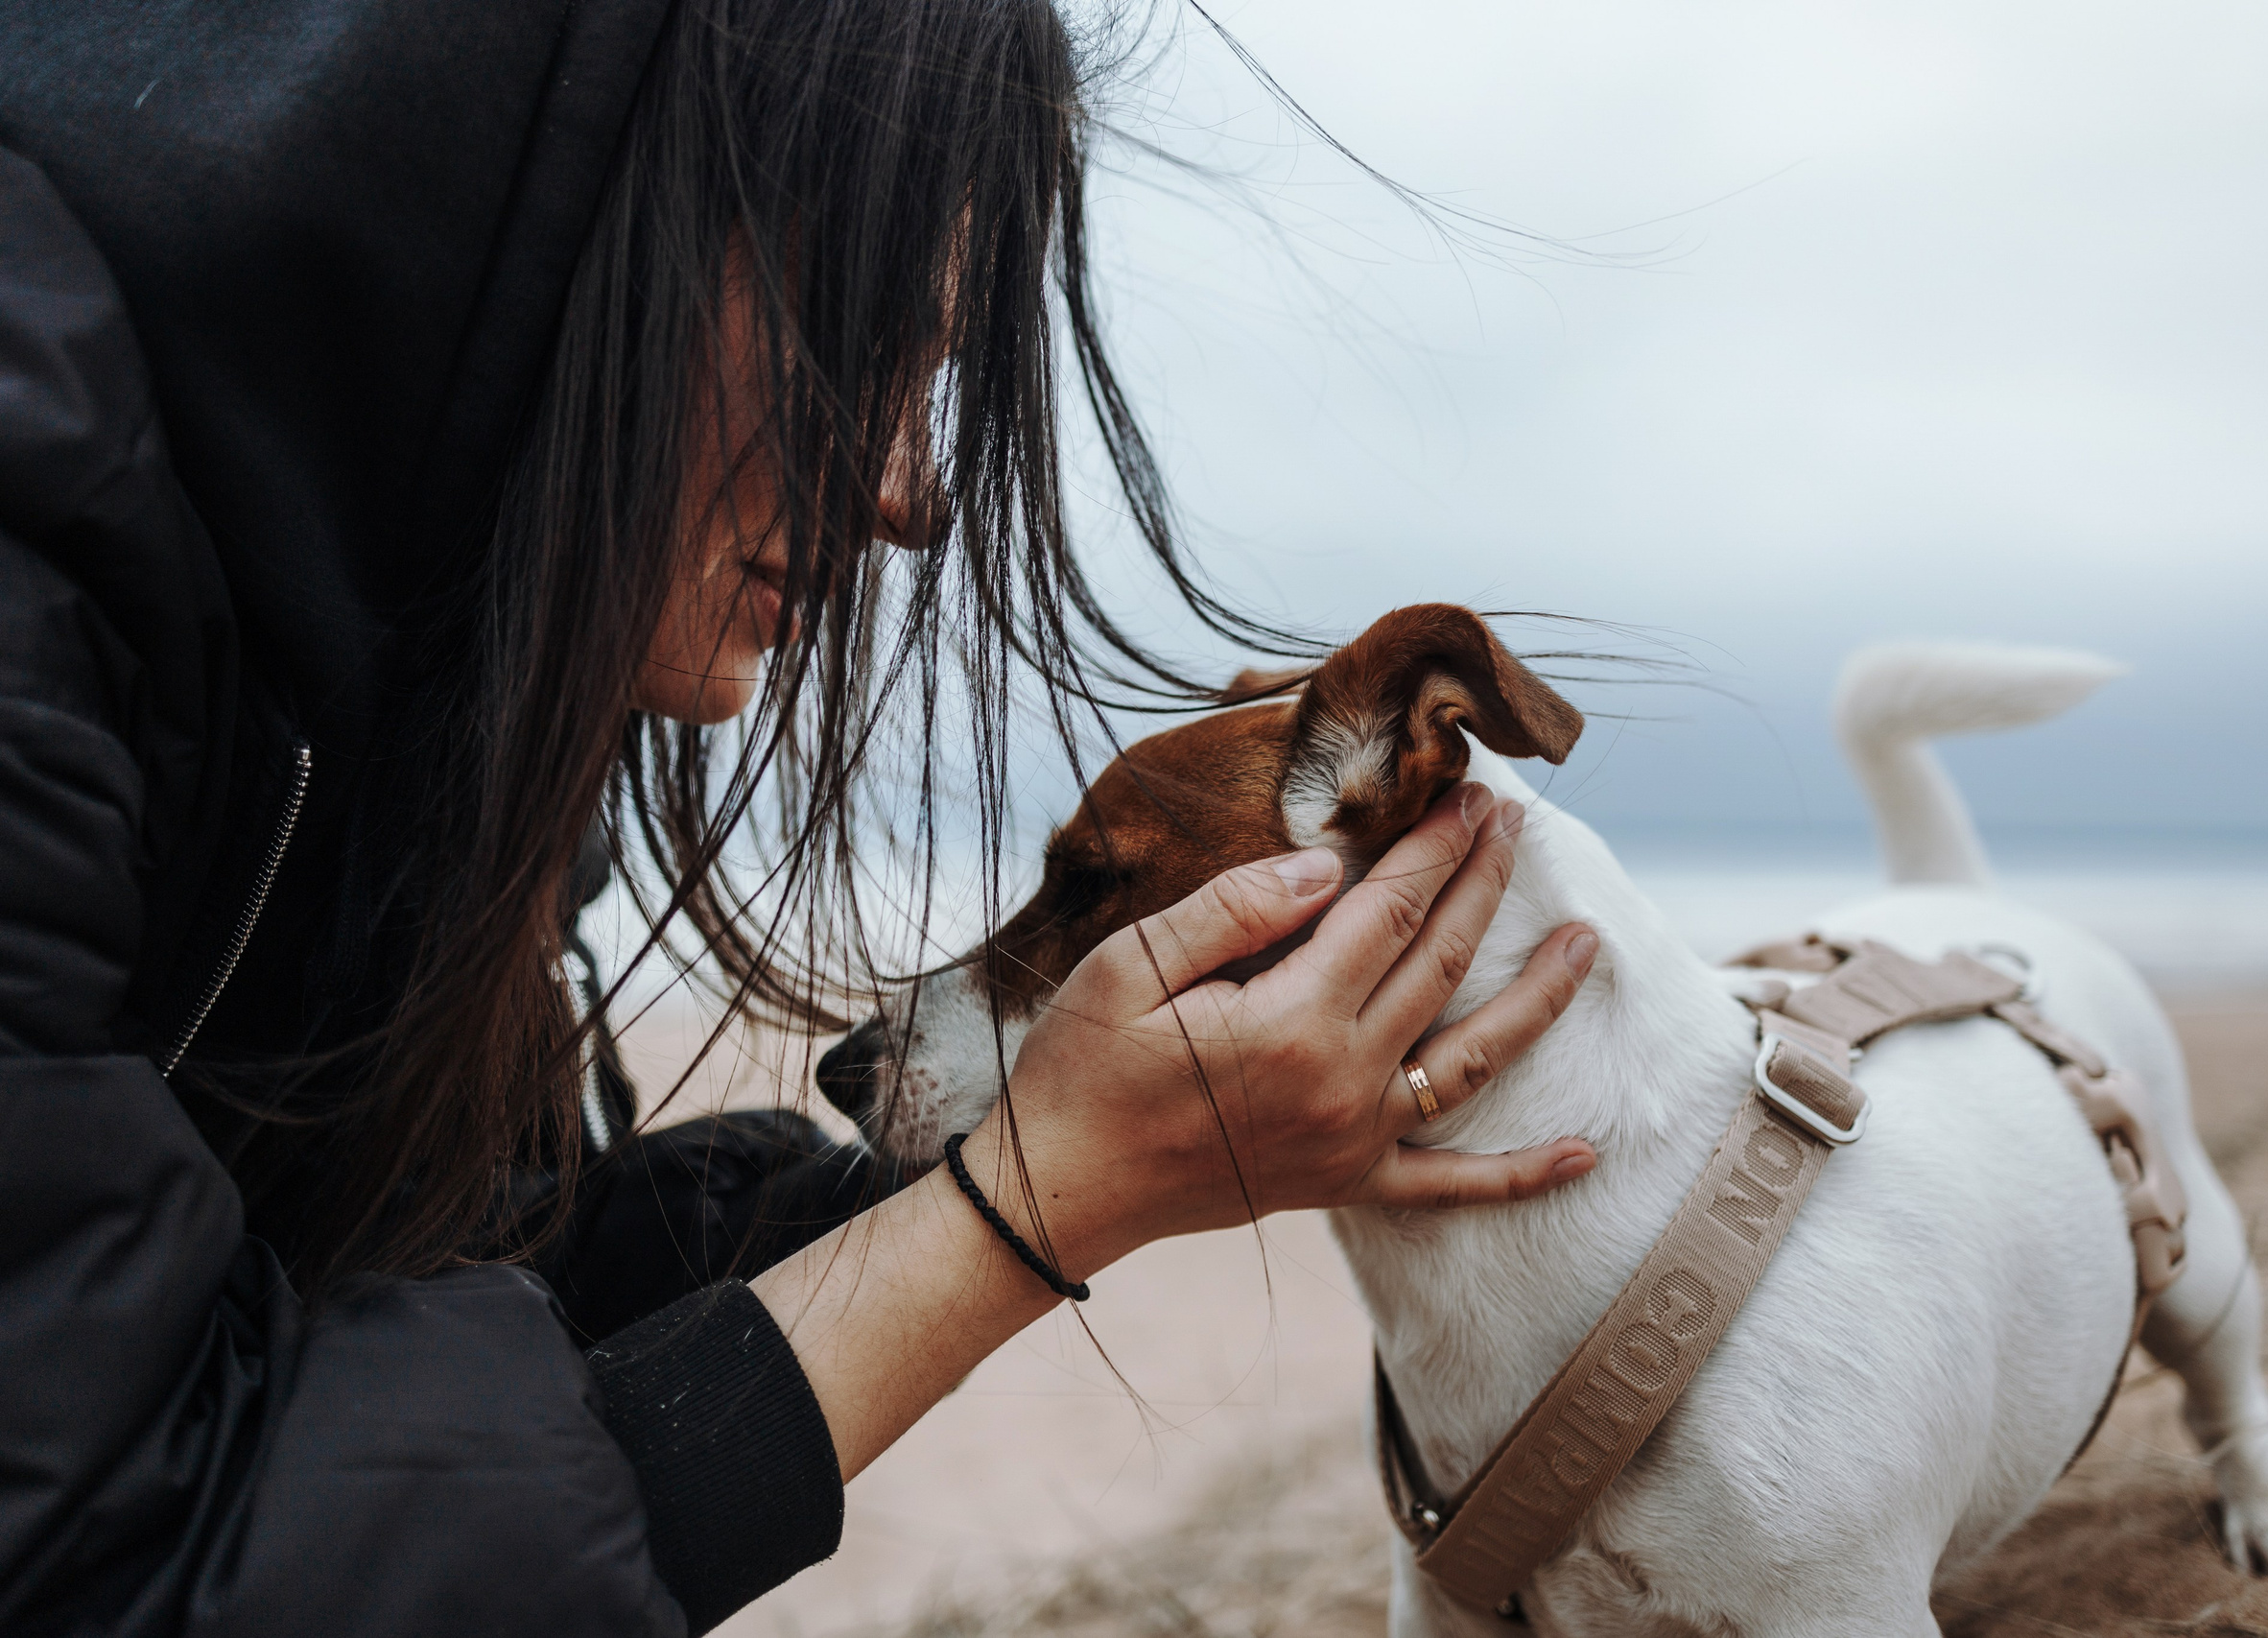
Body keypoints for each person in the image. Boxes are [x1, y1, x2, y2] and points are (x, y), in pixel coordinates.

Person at [0, 2, 1600, 1633]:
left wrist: (1085, 1138)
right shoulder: (34, 580)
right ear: (586, 203)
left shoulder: (415, 678)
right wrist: (1031, 1205)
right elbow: (129, 1559)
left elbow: (456, 1277)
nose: (911, 493)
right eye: (865, 340)